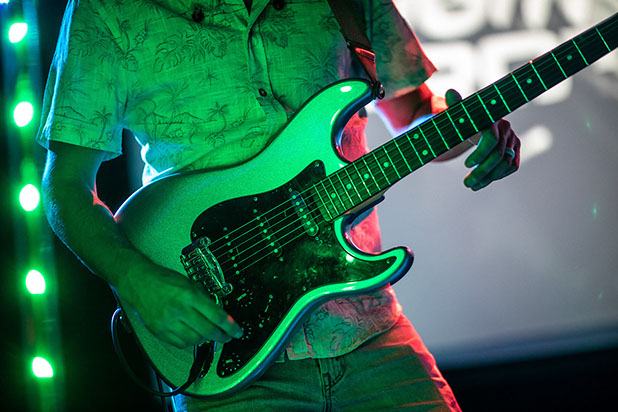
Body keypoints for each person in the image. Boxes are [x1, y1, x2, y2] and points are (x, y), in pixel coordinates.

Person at [38, 0, 520, 410]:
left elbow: (412, 108)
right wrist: (135, 278)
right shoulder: (107, 8)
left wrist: (470, 127)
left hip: (366, 328)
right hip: (230, 358)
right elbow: (65, 184)